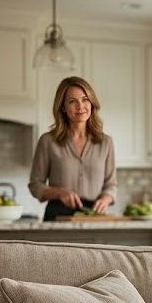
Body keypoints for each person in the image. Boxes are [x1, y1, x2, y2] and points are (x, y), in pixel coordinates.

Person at [29, 76, 117, 221]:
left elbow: (111, 185)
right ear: (63, 107)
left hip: (93, 217)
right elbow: (35, 185)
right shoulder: (47, 141)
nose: (80, 106)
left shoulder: (106, 142)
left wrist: (105, 200)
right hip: (57, 215)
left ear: (92, 102)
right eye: (72, 101)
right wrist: (59, 193)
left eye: (85, 99)